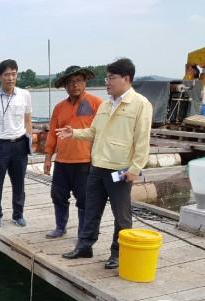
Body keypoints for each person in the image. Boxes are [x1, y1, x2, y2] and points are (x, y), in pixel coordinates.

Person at [56, 58, 153, 269]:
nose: (107, 82)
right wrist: (74, 133)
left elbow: (142, 140)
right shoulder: (106, 104)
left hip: (120, 169)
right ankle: (84, 246)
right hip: (97, 166)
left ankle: (118, 253)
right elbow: (93, 131)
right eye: (106, 78)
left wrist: (135, 168)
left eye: (111, 78)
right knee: (91, 210)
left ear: (126, 78)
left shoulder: (140, 104)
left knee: (121, 215)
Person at [44, 66, 103, 239]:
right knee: (58, 196)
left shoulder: (97, 103)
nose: (75, 85)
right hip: (62, 161)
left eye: (78, 81)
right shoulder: (59, 107)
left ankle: (83, 233)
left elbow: (103, 132)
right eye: (70, 82)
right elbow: (52, 134)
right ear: (65, 86)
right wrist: (48, 158)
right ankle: (60, 227)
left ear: (85, 82)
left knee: (84, 199)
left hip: (86, 161)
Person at [0, 59, 33, 228]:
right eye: (6, 74)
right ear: (0, 76)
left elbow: (28, 120)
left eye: (13, 74)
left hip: (19, 144)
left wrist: (29, 142)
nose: (10, 78)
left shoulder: (25, 95)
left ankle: (18, 214)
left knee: (19, 183)